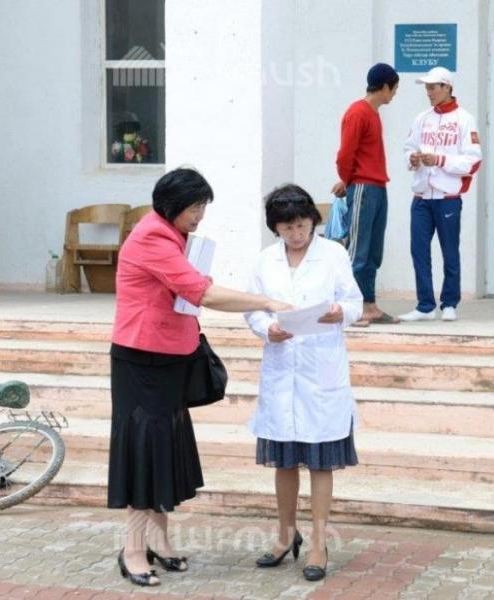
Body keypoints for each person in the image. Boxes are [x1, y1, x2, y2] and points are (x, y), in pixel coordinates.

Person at [109, 168, 292, 587]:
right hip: (141, 361)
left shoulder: (172, 235)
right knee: (143, 453)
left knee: (162, 451)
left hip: (169, 358)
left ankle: (159, 541)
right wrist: (266, 301)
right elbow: (202, 292)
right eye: (194, 208)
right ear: (172, 205)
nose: (200, 216)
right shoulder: (152, 238)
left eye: (203, 207)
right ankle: (132, 550)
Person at [245, 184, 362, 582]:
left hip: (320, 371)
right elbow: (254, 309)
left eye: (301, 225)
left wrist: (339, 312)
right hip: (282, 369)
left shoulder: (333, 254)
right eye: (287, 228)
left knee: (320, 461)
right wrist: (268, 329)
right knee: (284, 461)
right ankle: (284, 535)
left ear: (313, 220)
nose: (296, 234)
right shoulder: (265, 260)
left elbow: (354, 302)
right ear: (275, 228)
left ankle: (318, 543)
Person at [399, 66, 482, 322]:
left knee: (450, 252)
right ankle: (425, 306)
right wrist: (412, 159)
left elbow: (473, 160)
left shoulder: (464, 119)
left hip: (448, 199)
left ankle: (449, 303)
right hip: (421, 198)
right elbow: (407, 149)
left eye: (433, 87)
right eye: (427, 87)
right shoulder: (421, 118)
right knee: (419, 252)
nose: (429, 92)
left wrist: (440, 160)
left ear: (447, 87)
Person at [331, 63, 400, 326]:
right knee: (358, 251)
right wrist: (348, 181)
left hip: (377, 186)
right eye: (394, 89)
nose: (394, 94)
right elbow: (345, 155)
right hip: (363, 187)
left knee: (373, 251)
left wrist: (346, 180)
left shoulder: (373, 113)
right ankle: (350, 308)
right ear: (385, 87)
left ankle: (368, 305)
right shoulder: (358, 112)